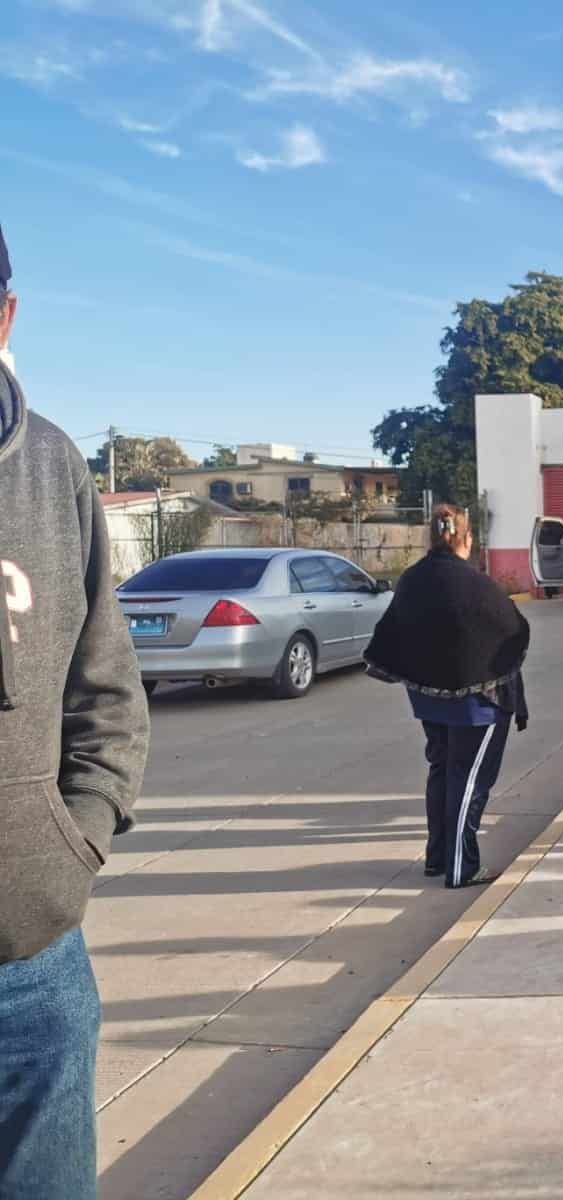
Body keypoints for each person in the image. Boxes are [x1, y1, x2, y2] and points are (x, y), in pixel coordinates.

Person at [0, 222, 151, 1197]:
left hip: (31, 965)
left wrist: (73, 844)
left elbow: (107, 689)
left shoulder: (50, 466)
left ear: (5, 316)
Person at [365, 505, 530, 888]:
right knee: (469, 781)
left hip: (427, 699)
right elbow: (513, 629)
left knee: (441, 771)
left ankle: (437, 857)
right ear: (466, 538)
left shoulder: (412, 579)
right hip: (477, 704)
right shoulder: (476, 583)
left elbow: (393, 630)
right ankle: (461, 867)